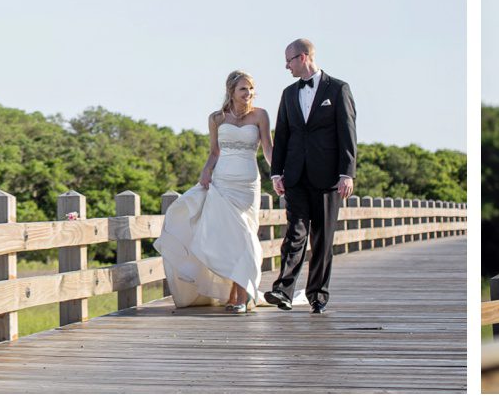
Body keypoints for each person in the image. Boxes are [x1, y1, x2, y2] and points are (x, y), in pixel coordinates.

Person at [153, 70, 272, 313]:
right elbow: (214, 152)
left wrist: (280, 175)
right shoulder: (217, 118)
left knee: (246, 237)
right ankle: (235, 295)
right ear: (231, 91)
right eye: (243, 89)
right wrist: (206, 171)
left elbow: (268, 149)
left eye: (251, 88)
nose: (248, 93)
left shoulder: (260, 115)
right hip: (223, 183)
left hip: (248, 184)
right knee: (230, 239)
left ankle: (240, 294)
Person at [264, 38, 357, 314]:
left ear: (303, 57)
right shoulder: (288, 93)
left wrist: (347, 173)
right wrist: (276, 173)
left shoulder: (338, 89)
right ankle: (284, 290)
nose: (286, 66)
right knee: (294, 233)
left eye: (289, 60)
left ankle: (317, 294)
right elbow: (281, 135)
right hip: (295, 176)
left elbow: (348, 133)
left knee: (322, 239)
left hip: (329, 177)